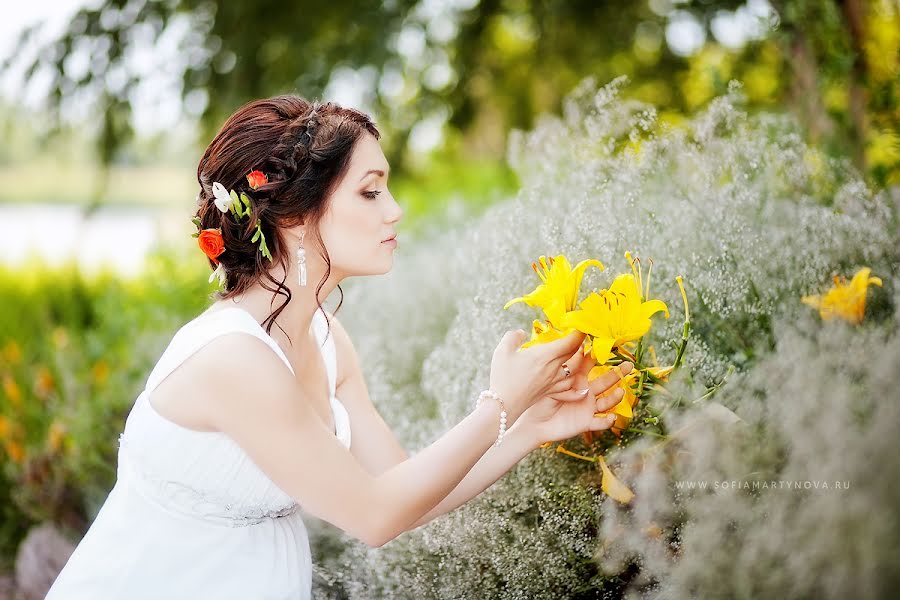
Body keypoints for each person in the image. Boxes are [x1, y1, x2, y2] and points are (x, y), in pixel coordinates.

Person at [45, 96, 631, 599]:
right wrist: (496, 404)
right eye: (371, 192)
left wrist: (527, 424)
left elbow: (403, 495)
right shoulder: (233, 360)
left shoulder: (326, 340)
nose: (395, 210)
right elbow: (372, 515)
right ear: (298, 217)